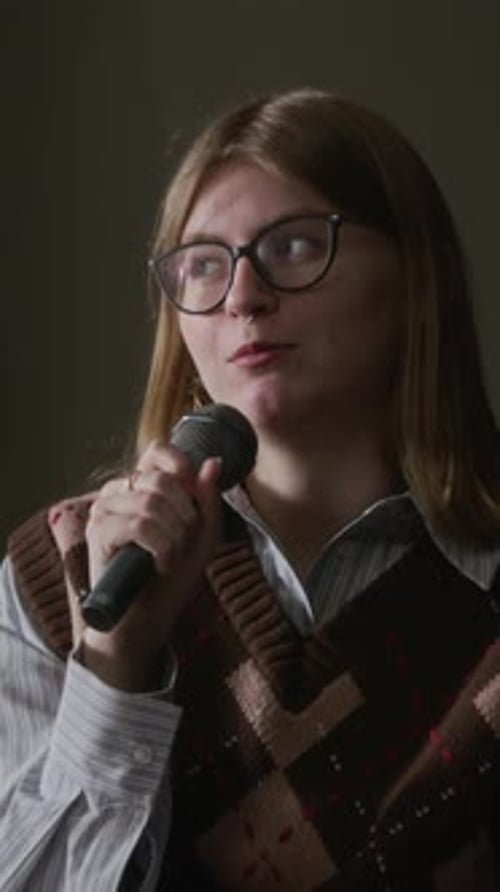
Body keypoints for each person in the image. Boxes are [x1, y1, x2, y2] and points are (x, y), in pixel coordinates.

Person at [0, 87, 499, 891]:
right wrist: (114, 668)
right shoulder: (54, 574)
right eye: (203, 265)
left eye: (296, 247)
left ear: (418, 277)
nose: (242, 298)